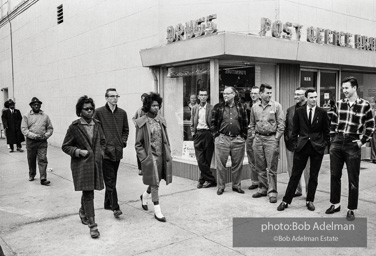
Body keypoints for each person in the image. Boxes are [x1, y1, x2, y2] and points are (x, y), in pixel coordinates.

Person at [325, 76, 374, 221]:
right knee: (335, 175)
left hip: (353, 142)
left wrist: (362, 141)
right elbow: (333, 122)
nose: (344, 91)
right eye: (343, 88)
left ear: (354, 88)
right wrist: (333, 139)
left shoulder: (365, 105)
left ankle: (351, 208)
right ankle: (335, 204)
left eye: (346, 88)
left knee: (353, 178)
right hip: (338, 141)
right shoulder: (339, 104)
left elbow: (371, 126)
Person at [277, 89, 330, 211]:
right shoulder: (299, 112)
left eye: (315, 97)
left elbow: (326, 132)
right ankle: (286, 201)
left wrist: (323, 146)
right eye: (311, 97)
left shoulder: (322, 112)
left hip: (317, 148)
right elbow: (294, 131)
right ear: (306, 98)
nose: (314, 99)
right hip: (302, 147)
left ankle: (310, 200)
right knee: (295, 175)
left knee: (313, 176)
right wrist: (295, 144)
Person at [62, 96, 105, 239]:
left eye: (91, 108)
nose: (90, 111)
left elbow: (103, 141)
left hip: (96, 164)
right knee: (89, 194)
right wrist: (79, 152)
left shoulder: (97, 124)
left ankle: (82, 211)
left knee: (89, 190)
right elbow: (66, 146)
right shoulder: (74, 127)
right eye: (86, 109)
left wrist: (100, 153)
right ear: (79, 111)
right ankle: (93, 226)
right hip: (82, 165)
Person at [135, 92, 172, 222]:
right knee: (155, 183)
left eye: (158, 105)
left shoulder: (161, 120)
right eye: (153, 105)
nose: (156, 107)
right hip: (151, 157)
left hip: (162, 156)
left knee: (157, 180)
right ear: (147, 106)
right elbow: (138, 144)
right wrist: (144, 158)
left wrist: (169, 152)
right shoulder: (142, 122)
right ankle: (157, 210)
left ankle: (144, 196)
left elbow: (165, 138)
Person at [94, 88, 129, 218]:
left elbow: (125, 130)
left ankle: (107, 203)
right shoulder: (99, 113)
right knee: (110, 179)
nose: (115, 98)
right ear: (106, 98)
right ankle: (115, 207)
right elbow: (95, 131)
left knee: (112, 179)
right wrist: (101, 148)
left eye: (117, 96)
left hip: (117, 151)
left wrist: (123, 142)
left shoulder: (122, 113)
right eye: (112, 96)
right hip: (105, 153)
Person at [249, 84, 285, 203]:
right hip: (258, 139)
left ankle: (272, 192)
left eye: (270, 93)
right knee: (259, 166)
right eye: (267, 93)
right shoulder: (254, 107)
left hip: (271, 139)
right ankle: (262, 188)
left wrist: (276, 138)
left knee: (271, 167)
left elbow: (281, 124)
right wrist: (254, 135)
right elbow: (252, 123)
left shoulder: (277, 106)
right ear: (260, 94)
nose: (269, 95)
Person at [211, 86, 248, 196]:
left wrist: (243, 137)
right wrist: (216, 137)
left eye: (227, 93)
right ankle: (221, 187)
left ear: (234, 94)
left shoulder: (241, 107)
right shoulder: (218, 107)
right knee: (221, 165)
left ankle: (236, 185)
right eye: (224, 94)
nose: (225, 95)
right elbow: (213, 124)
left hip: (238, 139)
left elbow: (245, 123)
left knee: (237, 164)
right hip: (222, 139)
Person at [21, 97, 53, 185]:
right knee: (31, 159)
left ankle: (43, 178)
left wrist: (45, 135)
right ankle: (32, 174)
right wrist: (34, 136)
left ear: (40, 105)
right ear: (31, 106)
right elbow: (24, 129)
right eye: (34, 104)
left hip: (42, 141)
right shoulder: (26, 116)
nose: (36, 106)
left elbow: (50, 128)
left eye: (38, 104)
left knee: (42, 159)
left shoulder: (45, 116)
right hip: (31, 142)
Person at [284, 87, 310, 197]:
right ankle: (296, 190)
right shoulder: (290, 110)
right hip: (291, 144)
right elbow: (287, 126)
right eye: (295, 94)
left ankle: (309, 193)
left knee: (307, 170)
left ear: (305, 96)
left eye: (299, 94)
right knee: (292, 169)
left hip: (306, 145)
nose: (296, 96)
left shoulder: (311, 109)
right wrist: (287, 138)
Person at [191, 89, 216, 189]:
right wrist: (193, 133)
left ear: (207, 97)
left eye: (205, 95)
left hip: (208, 134)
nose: (203, 97)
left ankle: (202, 180)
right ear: (198, 96)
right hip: (198, 134)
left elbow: (214, 122)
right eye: (201, 95)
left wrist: (213, 134)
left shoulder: (212, 108)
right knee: (200, 159)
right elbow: (192, 122)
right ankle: (211, 179)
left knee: (207, 158)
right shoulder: (194, 108)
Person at [246, 86, 260, 190]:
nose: (253, 95)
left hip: (260, 134)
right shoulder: (247, 105)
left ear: (260, 94)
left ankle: (263, 181)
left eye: (255, 93)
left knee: (260, 158)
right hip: (249, 133)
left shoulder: (262, 106)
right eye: (252, 93)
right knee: (251, 158)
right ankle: (255, 181)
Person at [132, 93, 149, 176]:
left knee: (148, 148)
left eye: (145, 98)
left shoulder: (150, 109)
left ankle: (147, 168)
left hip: (148, 131)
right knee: (139, 148)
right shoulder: (139, 110)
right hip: (139, 131)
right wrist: (137, 123)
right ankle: (140, 168)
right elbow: (134, 118)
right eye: (142, 99)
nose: (143, 100)